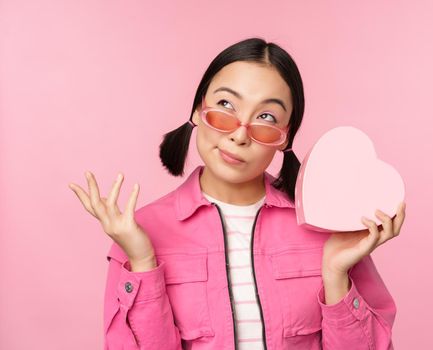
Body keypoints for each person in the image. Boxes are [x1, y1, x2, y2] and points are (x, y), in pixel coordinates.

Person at [69, 37, 406, 350]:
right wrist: (143, 261)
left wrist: (336, 276)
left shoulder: (325, 223)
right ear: (197, 111)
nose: (239, 135)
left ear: (285, 137)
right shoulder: (140, 232)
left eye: (265, 116)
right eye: (226, 105)